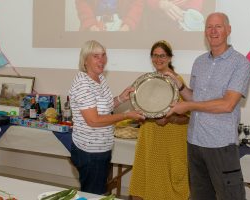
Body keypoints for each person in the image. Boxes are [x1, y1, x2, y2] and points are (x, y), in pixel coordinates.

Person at [166, 12, 250, 200]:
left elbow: (227, 104)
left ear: (228, 30)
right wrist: (179, 85)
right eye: (209, 27)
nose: (213, 31)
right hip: (195, 143)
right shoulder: (199, 62)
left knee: (231, 197)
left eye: (218, 26)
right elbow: (196, 98)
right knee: (199, 197)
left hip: (220, 144)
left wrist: (188, 105)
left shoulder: (241, 63)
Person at [69, 40, 144, 194]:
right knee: (92, 195)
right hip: (90, 152)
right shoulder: (83, 83)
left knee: (95, 193)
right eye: (96, 56)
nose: (102, 60)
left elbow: (105, 107)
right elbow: (94, 120)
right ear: (85, 60)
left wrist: (121, 98)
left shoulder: (100, 79)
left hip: (102, 148)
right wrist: (125, 115)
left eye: (103, 55)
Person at [129, 40, 190, 200]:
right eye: (155, 56)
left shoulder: (178, 82)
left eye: (162, 55)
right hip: (149, 137)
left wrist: (170, 120)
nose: (158, 59)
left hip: (171, 141)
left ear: (170, 58)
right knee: (146, 178)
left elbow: (188, 117)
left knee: (170, 184)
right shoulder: (147, 81)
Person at [75, 0, 144, 31]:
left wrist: (128, 25)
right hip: (94, 25)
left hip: (123, 25)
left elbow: (137, 4)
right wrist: (91, 25)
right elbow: (82, 3)